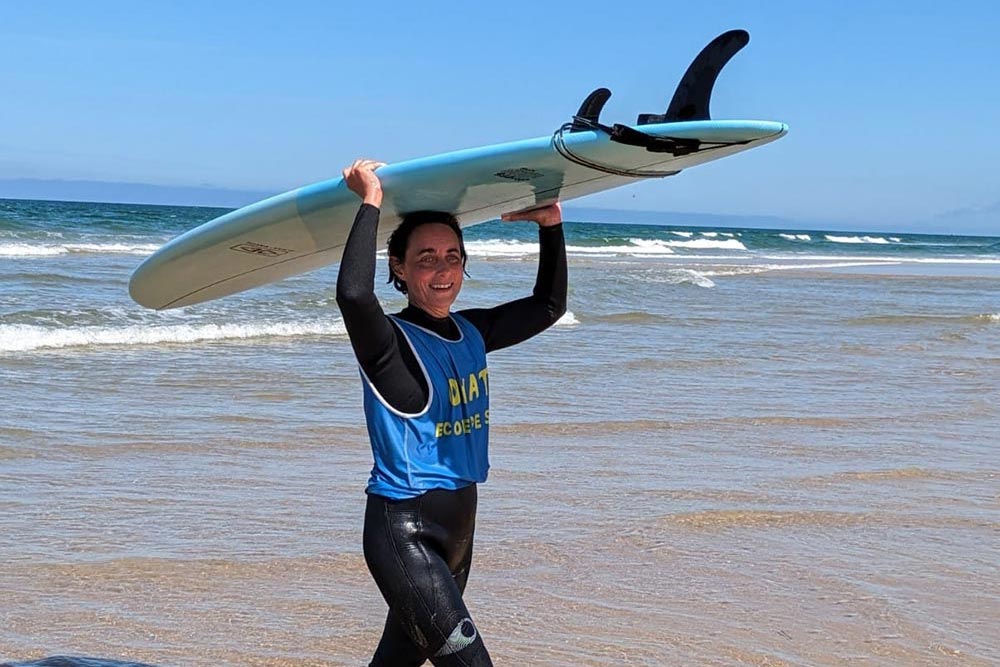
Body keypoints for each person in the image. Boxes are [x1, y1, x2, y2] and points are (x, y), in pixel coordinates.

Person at [336, 158, 567, 666]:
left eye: (452, 256)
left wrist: (552, 228)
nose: (442, 270)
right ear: (398, 266)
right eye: (425, 258)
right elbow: (354, 295)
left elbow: (548, 306)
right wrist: (370, 199)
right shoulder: (391, 343)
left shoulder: (472, 333)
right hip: (404, 533)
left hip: (458, 534)